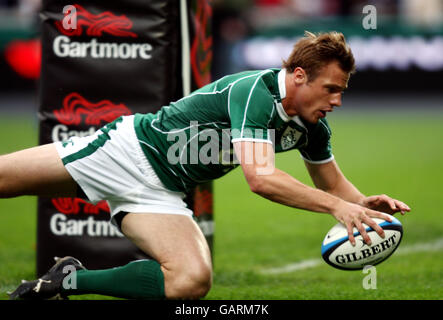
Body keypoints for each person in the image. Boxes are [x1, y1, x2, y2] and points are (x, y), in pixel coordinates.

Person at [3, 31, 410, 300]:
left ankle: (66, 280)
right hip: (126, 152)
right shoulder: (255, 91)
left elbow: (334, 185)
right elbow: (261, 179)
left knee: (191, 282)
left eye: (342, 91)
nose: (337, 100)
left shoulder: (314, 127)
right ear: (299, 76)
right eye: (331, 89)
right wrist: (338, 208)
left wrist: (364, 205)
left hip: (161, 192)